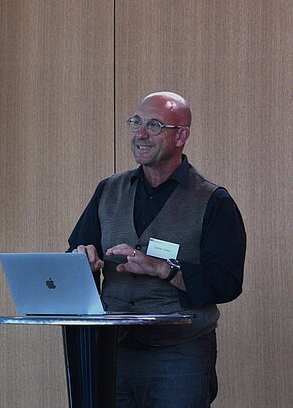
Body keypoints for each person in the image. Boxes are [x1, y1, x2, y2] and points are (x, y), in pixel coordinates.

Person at [68, 91, 246, 407]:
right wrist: (82, 261)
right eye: (136, 122)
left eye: (154, 125)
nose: (140, 134)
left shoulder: (214, 201)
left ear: (181, 136)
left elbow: (227, 282)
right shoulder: (108, 190)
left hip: (179, 355)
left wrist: (164, 269)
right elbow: (77, 251)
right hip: (113, 349)